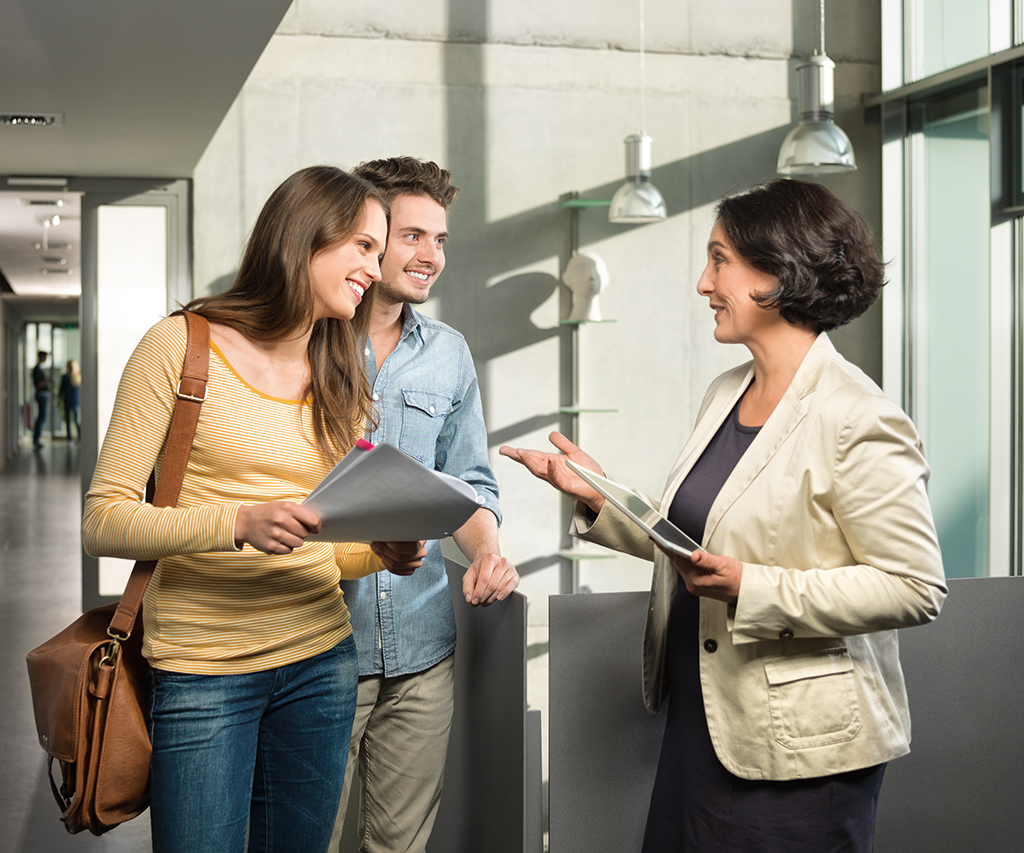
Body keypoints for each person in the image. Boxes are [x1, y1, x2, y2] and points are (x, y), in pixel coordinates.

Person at [501, 179, 947, 852]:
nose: (703, 284)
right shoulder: (727, 389)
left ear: (778, 272)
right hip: (707, 719)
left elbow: (914, 586)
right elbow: (700, 541)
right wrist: (598, 494)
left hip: (800, 748)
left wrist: (752, 586)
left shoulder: (859, 415)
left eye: (719, 260)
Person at [81, 165, 427, 853]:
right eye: (362, 244)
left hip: (321, 664)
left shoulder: (342, 369)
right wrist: (236, 521)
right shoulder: (179, 346)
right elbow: (103, 519)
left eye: (378, 248)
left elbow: (330, 541)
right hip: (204, 672)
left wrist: (384, 550)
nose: (376, 263)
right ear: (304, 237)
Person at [329, 156, 519, 853]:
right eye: (412, 235)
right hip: (319, 646)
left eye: (440, 239)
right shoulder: (305, 342)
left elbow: (467, 483)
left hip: (422, 649)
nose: (430, 256)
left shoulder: (448, 353)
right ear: (367, 237)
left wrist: (490, 553)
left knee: (400, 846)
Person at [31, 350, 51, 449]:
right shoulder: (37, 370)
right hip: (41, 395)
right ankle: (36, 438)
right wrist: (48, 380)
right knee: (41, 417)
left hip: (43, 395)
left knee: (41, 417)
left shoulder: (39, 369)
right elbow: (39, 384)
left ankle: (36, 438)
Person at [58, 359, 81, 442]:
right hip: (77, 401)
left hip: (68, 400)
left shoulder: (65, 377)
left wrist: (59, 400)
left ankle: (69, 439)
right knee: (76, 420)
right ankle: (80, 437)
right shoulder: (78, 377)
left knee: (68, 421)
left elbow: (62, 390)